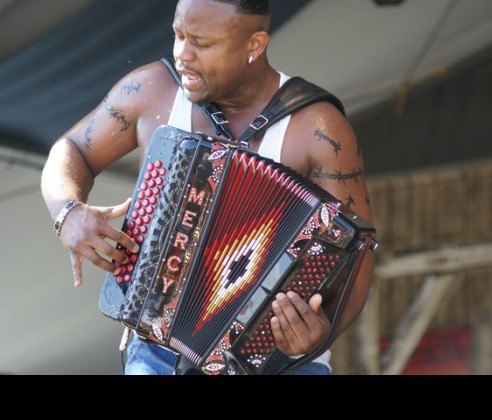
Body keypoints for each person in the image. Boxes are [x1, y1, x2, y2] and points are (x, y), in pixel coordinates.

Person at [41, 0, 376, 375]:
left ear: (255, 45)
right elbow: (70, 150)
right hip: (159, 351)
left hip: (278, 362)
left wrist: (317, 338)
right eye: (178, 35)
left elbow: (358, 257)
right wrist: (67, 213)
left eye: (202, 42)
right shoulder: (152, 91)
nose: (182, 53)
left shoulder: (316, 129)